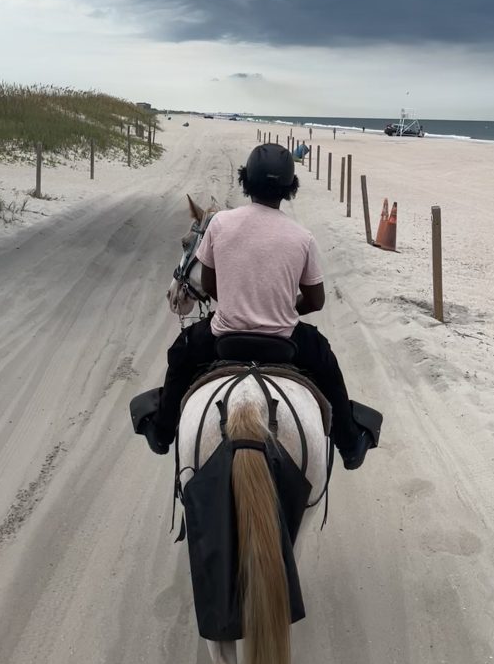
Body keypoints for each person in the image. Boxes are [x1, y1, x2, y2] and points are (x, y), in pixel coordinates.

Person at [141, 144, 377, 469]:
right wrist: (280, 306)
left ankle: (162, 432)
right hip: (284, 342)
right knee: (326, 362)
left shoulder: (220, 224)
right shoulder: (303, 237)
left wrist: (240, 301)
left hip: (225, 337)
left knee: (180, 355)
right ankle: (350, 445)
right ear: (289, 189)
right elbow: (316, 300)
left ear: (245, 183)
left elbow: (209, 285)